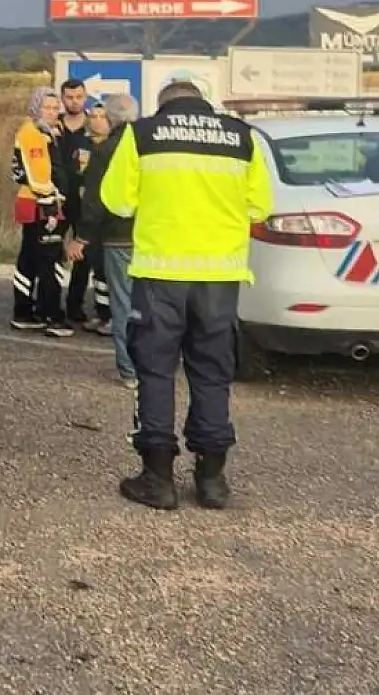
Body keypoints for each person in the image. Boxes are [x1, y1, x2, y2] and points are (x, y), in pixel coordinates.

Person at [99, 81, 273, 511]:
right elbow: (260, 207)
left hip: (160, 274)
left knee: (155, 371)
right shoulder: (242, 137)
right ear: (204, 103)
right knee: (212, 372)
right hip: (219, 276)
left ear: (164, 106)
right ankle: (212, 480)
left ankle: (157, 479)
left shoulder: (142, 135)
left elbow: (116, 201)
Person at [71, 93, 139, 386]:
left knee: (123, 305)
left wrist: (82, 237)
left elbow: (95, 199)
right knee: (152, 304)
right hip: (151, 236)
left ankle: (130, 370)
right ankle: (156, 365)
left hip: (118, 236)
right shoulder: (148, 146)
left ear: (109, 118)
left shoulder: (105, 150)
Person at [10, 87, 73, 337]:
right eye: (47, 107)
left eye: (55, 107)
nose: (52, 111)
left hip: (34, 202)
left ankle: (24, 311)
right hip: (41, 204)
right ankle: (52, 316)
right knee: (49, 260)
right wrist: (52, 203)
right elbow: (37, 175)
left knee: (29, 258)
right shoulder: (32, 133)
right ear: (36, 108)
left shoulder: (46, 132)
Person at [71, 102, 115, 335]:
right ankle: (101, 311)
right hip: (87, 213)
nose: (97, 120)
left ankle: (113, 315)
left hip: (109, 217)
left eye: (103, 116)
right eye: (94, 115)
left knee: (110, 269)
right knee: (96, 268)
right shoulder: (83, 145)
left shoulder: (116, 148)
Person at [55, 79, 94, 325]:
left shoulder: (94, 127)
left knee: (84, 254)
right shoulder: (52, 125)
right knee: (52, 251)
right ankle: (51, 302)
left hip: (84, 198)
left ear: (85, 97)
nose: (74, 102)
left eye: (78, 97)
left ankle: (75, 304)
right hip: (57, 198)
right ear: (62, 98)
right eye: (69, 97)